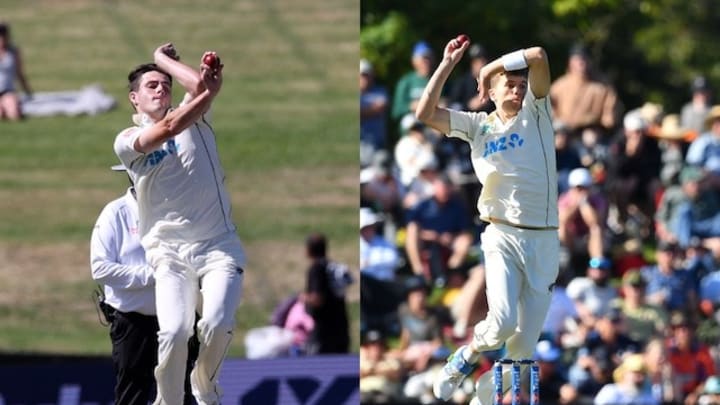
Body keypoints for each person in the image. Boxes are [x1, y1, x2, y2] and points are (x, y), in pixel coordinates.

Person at [414, 37, 560, 404]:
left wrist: (490, 67)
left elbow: (539, 56)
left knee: (522, 356)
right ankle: (463, 356)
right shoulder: (478, 126)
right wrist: (447, 65)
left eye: (521, 85)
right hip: (503, 235)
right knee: (503, 322)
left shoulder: (536, 113)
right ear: (490, 92)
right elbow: (425, 114)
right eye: (508, 84)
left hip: (544, 240)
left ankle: (480, 400)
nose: (518, 89)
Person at [113, 43, 246, 405]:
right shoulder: (127, 141)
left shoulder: (196, 115)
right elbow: (172, 124)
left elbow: (199, 89)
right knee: (173, 332)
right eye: (151, 86)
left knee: (216, 324)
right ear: (134, 99)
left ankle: (206, 389)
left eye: (165, 85)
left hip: (218, 244)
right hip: (169, 253)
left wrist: (169, 63)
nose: (161, 89)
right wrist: (193, 82)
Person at [91, 164, 198, 405]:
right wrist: (154, 275)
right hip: (133, 322)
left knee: (183, 393)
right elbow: (100, 268)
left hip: (176, 318)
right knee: (133, 395)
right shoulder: (116, 213)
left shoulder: (177, 211)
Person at [549, 43, 620, 137]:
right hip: (563, 132)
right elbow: (550, 112)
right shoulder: (559, 86)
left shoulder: (603, 86)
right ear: (570, 62)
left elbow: (610, 118)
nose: (581, 63)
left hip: (591, 133)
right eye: (577, 60)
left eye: (584, 59)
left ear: (590, 61)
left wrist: (600, 127)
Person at [303, 232, 351, 354]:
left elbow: (317, 299)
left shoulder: (316, 269)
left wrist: (303, 298)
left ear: (308, 250)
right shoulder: (333, 267)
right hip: (341, 328)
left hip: (324, 332)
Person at [392, 41, 434, 130]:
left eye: (429, 58)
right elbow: (396, 111)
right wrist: (411, 106)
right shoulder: (406, 82)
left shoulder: (438, 80)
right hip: (412, 129)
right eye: (423, 58)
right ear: (414, 61)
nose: (426, 61)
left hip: (433, 126)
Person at [360, 58, 390, 167]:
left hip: (379, 144)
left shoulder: (380, 91)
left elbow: (382, 107)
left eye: (367, 75)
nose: (365, 78)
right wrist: (372, 109)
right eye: (362, 75)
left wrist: (363, 111)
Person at [0, 22, 32, 121]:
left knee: (14, 115)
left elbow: (19, 73)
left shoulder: (13, 52)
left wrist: (27, 91)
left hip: (7, 91)